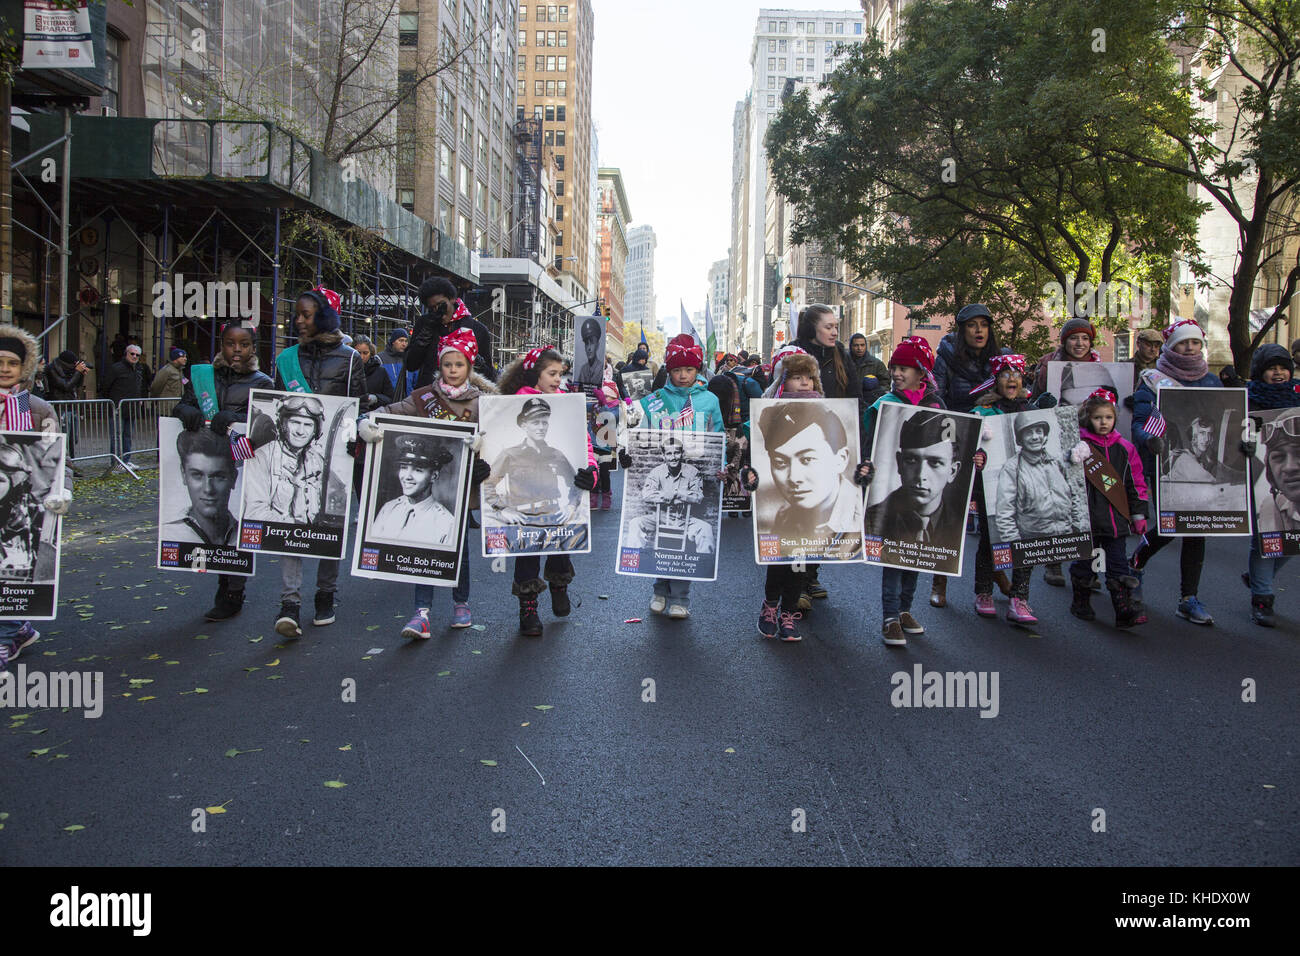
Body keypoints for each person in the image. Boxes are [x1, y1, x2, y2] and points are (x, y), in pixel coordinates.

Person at [360, 326, 493, 634]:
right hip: (427, 489)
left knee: (458, 548)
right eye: (447, 364)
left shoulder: (483, 403)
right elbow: (390, 412)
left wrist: (482, 444)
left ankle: (462, 603)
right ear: (440, 367)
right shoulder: (423, 398)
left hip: (461, 488)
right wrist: (367, 422)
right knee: (422, 547)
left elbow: (500, 436)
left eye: (459, 365)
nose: (453, 370)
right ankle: (422, 612)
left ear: (469, 368)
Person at [263, 286, 367, 637]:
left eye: (306, 315)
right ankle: (289, 602)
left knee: (328, 526)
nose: (298, 321)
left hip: (336, 458)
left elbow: (359, 406)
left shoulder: (351, 358)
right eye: (297, 314)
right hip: (293, 455)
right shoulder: (285, 359)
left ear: (324, 316)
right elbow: (275, 407)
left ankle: (326, 595)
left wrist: (354, 439)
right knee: (291, 519)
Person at [744, 352, 863, 641]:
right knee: (779, 561)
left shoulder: (825, 412)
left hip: (816, 524)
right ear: (783, 379)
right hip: (790, 521)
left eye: (808, 376)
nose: (803, 382)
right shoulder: (769, 411)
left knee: (801, 565)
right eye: (796, 376)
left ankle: (788, 612)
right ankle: (770, 606)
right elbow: (754, 456)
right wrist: (748, 474)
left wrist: (864, 470)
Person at [489, 346, 598, 637]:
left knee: (562, 550)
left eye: (560, 375)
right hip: (524, 512)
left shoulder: (566, 414)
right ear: (535, 373)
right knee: (526, 560)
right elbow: (490, 478)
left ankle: (559, 585)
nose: (558, 380)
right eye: (552, 374)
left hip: (555, 511)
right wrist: (502, 508)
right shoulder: (511, 422)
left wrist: (591, 474)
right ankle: (528, 608)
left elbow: (584, 451)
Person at [174, 323, 274, 621]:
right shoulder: (204, 377)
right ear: (222, 345)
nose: (237, 350)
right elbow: (183, 405)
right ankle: (223, 579)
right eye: (231, 343)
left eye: (244, 344)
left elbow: (267, 421)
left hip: (242, 463)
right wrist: (184, 411)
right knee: (214, 523)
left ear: (253, 347)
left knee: (241, 525)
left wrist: (236, 417)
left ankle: (233, 590)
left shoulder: (264, 381)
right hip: (209, 461)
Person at [621, 333, 724, 620]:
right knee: (657, 540)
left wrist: (721, 465)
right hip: (660, 483)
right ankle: (658, 589)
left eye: (689, 369)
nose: (682, 375)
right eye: (677, 369)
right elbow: (642, 438)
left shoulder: (710, 401)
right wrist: (632, 455)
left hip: (697, 479)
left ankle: (681, 596)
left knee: (687, 540)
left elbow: (719, 437)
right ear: (669, 369)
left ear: (698, 369)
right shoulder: (654, 401)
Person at [1129, 318, 1221, 625]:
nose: (1190, 347)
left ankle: (1188, 598)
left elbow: (1226, 425)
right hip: (1165, 462)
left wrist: (1241, 443)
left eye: (1195, 342)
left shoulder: (1211, 380)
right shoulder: (1154, 379)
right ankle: (1137, 561)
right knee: (1172, 525)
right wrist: (1148, 439)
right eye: (1184, 342)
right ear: (1171, 346)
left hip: (1205, 467)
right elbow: (1140, 422)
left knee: (1197, 528)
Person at [861, 336, 947, 647]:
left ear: (922, 373)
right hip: (892, 492)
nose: (896, 373)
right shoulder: (885, 404)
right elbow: (869, 442)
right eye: (894, 367)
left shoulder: (937, 405)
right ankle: (889, 618)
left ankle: (906, 610)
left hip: (926, 500)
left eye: (905, 368)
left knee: (916, 557)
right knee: (894, 557)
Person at [0, 324, 73, 671]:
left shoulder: (38, 409)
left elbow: (58, 457)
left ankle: (5, 636)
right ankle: (18, 629)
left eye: (12, 363)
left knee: (14, 569)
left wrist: (63, 488)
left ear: (25, 367)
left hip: (22, 507)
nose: (4, 368)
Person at [928, 302, 1011, 607]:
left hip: (993, 442)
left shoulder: (1002, 359)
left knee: (992, 514)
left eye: (984, 325)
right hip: (958, 437)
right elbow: (936, 395)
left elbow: (1016, 391)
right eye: (972, 325)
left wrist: (1002, 395)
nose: (979, 331)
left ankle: (996, 576)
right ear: (962, 330)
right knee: (952, 514)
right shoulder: (946, 357)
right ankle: (939, 580)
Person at [971, 353, 1059, 623]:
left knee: (1028, 540)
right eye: (1005, 375)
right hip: (993, 488)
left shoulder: (1031, 412)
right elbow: (969, 447)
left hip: (1028, 489)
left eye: (1017, 374)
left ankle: (1019, 598)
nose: (1012, 379)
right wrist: (977, 454)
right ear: (995, 380)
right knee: (990, 538)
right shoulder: (983, 411)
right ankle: (984, 592)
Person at [1070, 388, 1148, 625]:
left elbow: (1135, 482)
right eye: (1097, 418)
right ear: (1088, 418)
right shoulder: (1080, 447)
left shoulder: (1125, 448)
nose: (1103, 422)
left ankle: (1123, 610)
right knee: (1085, 563)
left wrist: (1138, 513)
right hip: (1088, 519)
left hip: (1116, 520)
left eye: (1108, 417)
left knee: (1118, 565)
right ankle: (1080, 601)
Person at [1242, 344, 1300, 626]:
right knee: (1268, 538)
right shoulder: (1249, 401)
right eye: (1271, 369)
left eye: (1282, 368)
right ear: (1260, 372)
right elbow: (1238, 436)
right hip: (1263, 479)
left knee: (1294, 538)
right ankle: (1262, 599)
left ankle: (1257, 578)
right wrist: (1246, 441)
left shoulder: (1298, 396)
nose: (1278, 373)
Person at [625, 436, 714, 553]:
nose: (673, 457)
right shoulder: (656, 472)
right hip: (659, 517)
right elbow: (646, 495)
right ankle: (634, 560)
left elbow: (698, 497)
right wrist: (668, 496)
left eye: (677, 453)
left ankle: (704, 566)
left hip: (684, 519)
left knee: (705, 528)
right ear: (663, 456)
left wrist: (677, 493)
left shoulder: (693, 472)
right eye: (669, 453)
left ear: (682, 454)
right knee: (635, 523)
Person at [404, 276, 495, 389]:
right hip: (431, 399)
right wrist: (425, 335)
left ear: (452, 299)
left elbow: (489, 376)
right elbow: (411, 364)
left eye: (441, 305)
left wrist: (473, 358)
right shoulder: (424, 324)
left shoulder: (477, 330)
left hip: (464, 400)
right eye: (432, 308)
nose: (438, 311)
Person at [369, 434, 457, 542]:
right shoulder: (388, 509)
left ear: (433, 476)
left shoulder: (446, 523)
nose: (407, 477)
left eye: (418, 470)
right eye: (404, 467)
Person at [162, 427, 239, 548]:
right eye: (197, 475)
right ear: (183, 474)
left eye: (218, 476)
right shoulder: (169, 534)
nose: (208, 489)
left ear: (233, 478)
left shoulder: (246, 534)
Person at [101, 342, 146, 458]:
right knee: (116, 436)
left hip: (131, 408)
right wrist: (111, 401)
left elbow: (140, 386)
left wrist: (140, 398)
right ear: (126, 354)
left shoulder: (139, 369)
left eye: (137, 355)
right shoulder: (116, 368)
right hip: (117, 407)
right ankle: (116, 462)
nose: (135, 356)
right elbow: (105, 386)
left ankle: (126, 460)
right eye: (132, 354)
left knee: (128, 435)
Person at [850, 332, 890, 406]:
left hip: (870, 404)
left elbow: (885, 384)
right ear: (851, 346)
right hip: (849, 404)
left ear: (866, 346)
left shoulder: (877, 364)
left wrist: (874, 393)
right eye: (856, 345)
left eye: (862, 345)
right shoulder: (844, 363)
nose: (859, 348)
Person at [572, 316, 605, 387]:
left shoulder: (601, 369)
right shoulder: (583, 369)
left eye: (592, 342)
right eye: (586, 343)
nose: (589, 348)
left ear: (597, 345)